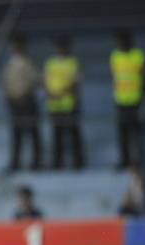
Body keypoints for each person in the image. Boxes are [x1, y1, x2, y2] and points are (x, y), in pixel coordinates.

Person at [3, 33, 42, 171]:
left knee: (32, 132)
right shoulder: (10, 63)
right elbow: (7, 83)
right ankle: (15, 162)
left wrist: (23, 94)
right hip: (15, 102)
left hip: (26, 101)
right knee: (17, 134)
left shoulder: (27, 62)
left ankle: (37, 162)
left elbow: (35, 80)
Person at [44, 35, 84, 169]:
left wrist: (61, 92)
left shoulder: (73, 62)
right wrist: (51, 93)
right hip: (55, 105)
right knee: (57, 136)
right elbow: (46, 81)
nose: (60, 49)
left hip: (69, 104)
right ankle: (57, 163)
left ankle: (78, 162)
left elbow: (76, 82)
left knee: (73, 135)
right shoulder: (51, 63)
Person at [110, 30, 145, 169]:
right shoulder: (115, 56)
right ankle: (124, 160)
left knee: (137, 135)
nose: (119, 44)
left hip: (136, 101)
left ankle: (140, 161)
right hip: (121, 100)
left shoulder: (138, 55)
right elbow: (114, 77)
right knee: (123, 134)